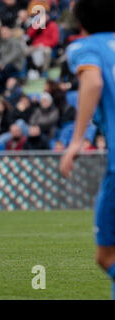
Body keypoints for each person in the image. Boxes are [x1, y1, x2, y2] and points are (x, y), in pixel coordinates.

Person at [60, 0, 115, 299]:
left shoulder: (84, 48)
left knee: (106, 256)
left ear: (81, 22)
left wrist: (76, 140)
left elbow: (92, 82)